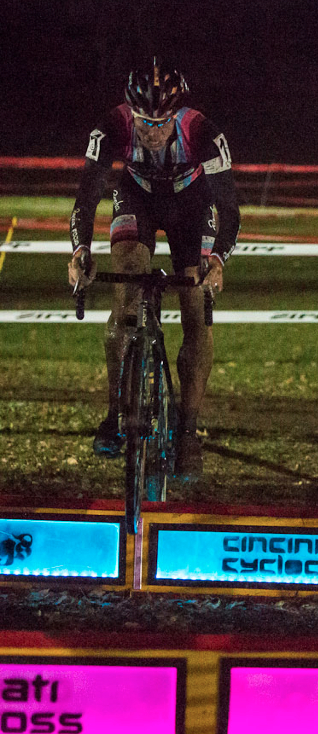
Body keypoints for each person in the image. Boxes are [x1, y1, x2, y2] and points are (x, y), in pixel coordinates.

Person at [67, 57, 240, 480]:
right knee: (124, 292)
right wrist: (80, 251)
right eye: (145, 121)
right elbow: (86, 197)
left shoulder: (203, 133)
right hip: (138, 196)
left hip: (192, 204)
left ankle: (188, 431)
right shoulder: (110, 128)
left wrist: (217, 261)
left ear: (179, 113)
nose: (154, 131)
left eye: (164, 122)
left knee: (196, 312)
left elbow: (229, 210)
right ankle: (113, 413)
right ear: (131, 113)